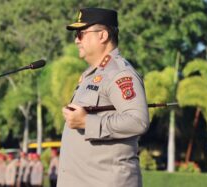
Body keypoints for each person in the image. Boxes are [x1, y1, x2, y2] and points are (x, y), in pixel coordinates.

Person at [57, 8, 149, 187]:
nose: (76, 40)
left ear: (103, 35)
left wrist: (86, 122)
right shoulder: (92, 75)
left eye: (80, 33)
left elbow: (138, 121)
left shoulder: (119, 74)